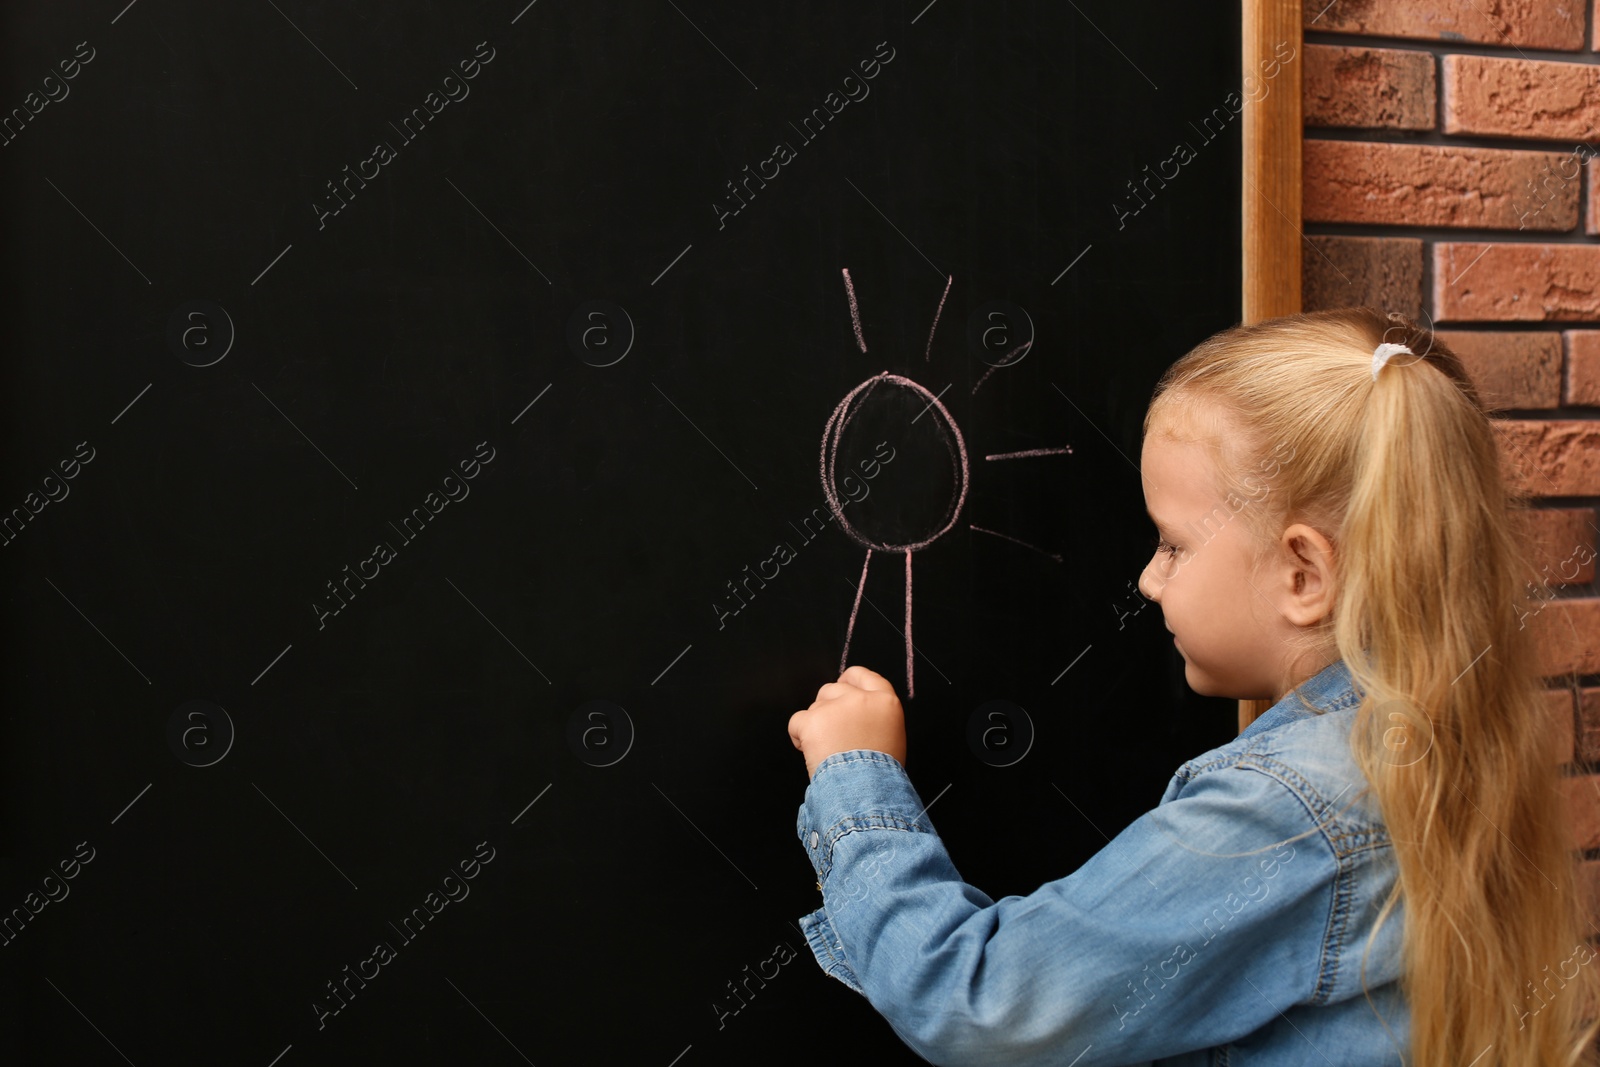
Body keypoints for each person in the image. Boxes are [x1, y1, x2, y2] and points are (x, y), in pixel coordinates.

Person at [786, 307, 1600, 1066]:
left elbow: (985, 1004)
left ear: (1302, 573)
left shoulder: (1284, 811)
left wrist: (857, 784)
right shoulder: (1437, 730)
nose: (1146, 578)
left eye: (1174, 545)